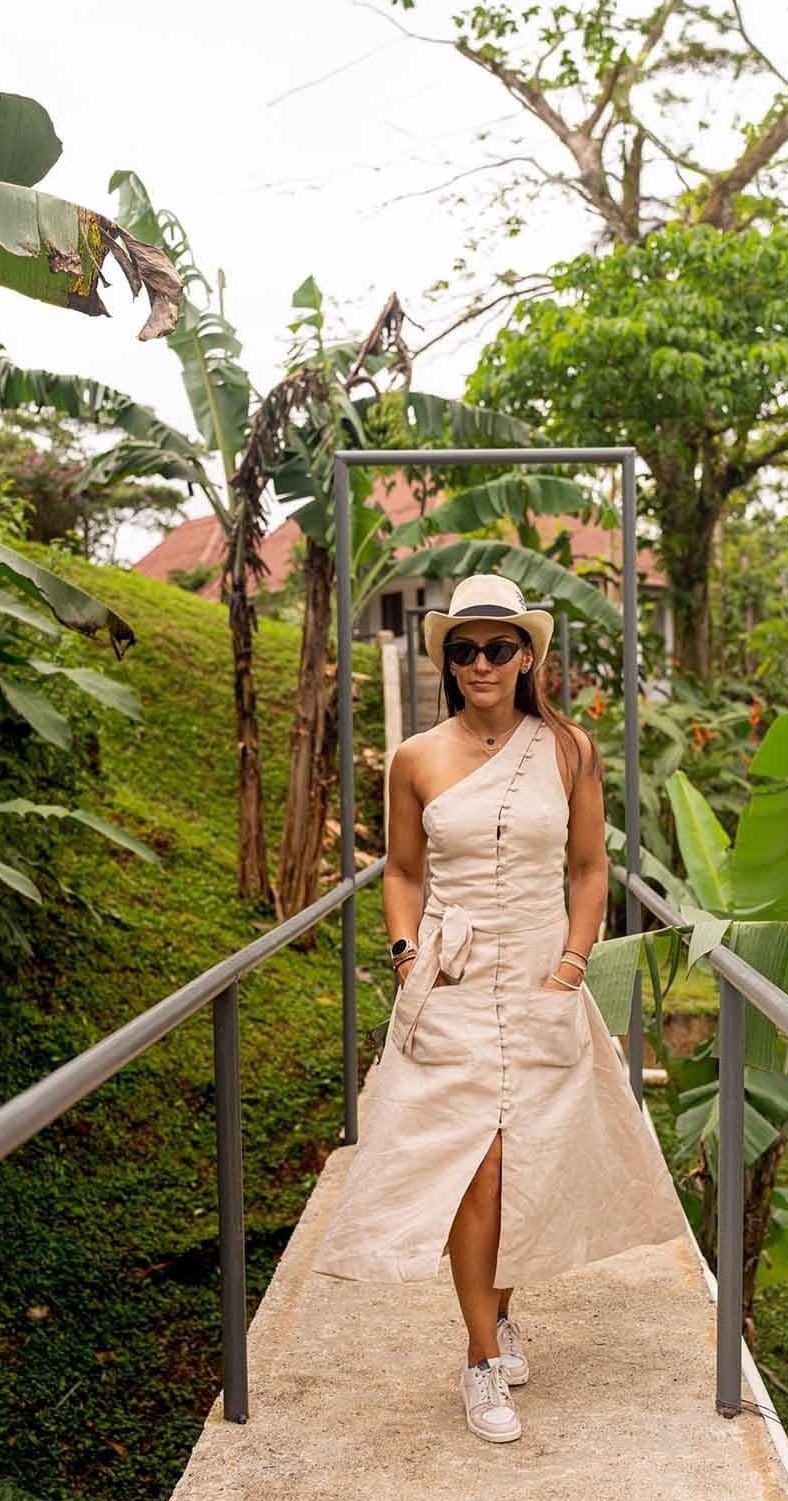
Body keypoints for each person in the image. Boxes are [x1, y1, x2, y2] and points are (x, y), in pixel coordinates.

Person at [310, 573, 686, 1443]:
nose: (481, 662)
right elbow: (401, 873)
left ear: (529, 658)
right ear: (446, 659)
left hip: (539, 978)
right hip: (449, 979)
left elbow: (590, 870)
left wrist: (569, 963)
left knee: (526, 1162)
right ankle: (481, 1359)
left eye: (499, 647)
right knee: (471, 1168)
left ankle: (501, 1313)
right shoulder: (416, 757)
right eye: (464, 649)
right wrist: (405, 957)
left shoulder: (569, 751)